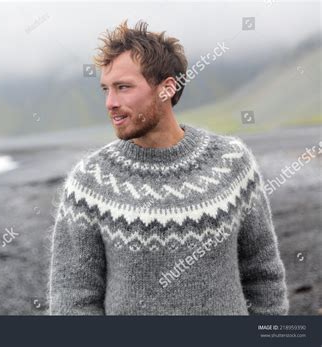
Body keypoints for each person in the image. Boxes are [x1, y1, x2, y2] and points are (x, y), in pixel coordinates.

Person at [48, 20, 289, 315]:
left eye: (123, 87)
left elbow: (263, 275)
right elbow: (72, 299)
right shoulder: (89, 182)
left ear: (167, 89)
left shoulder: (232, 162)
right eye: (106, 89)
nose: (110, 102)